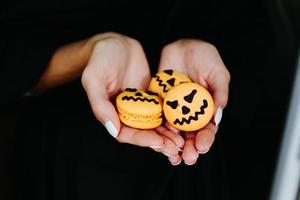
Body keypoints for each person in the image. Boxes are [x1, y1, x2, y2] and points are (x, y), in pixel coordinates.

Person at [3, 0, 289, 199]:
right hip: (71, 159)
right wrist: (88, 51)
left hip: (211, 169)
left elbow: (252, 29)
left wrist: (212, 53)